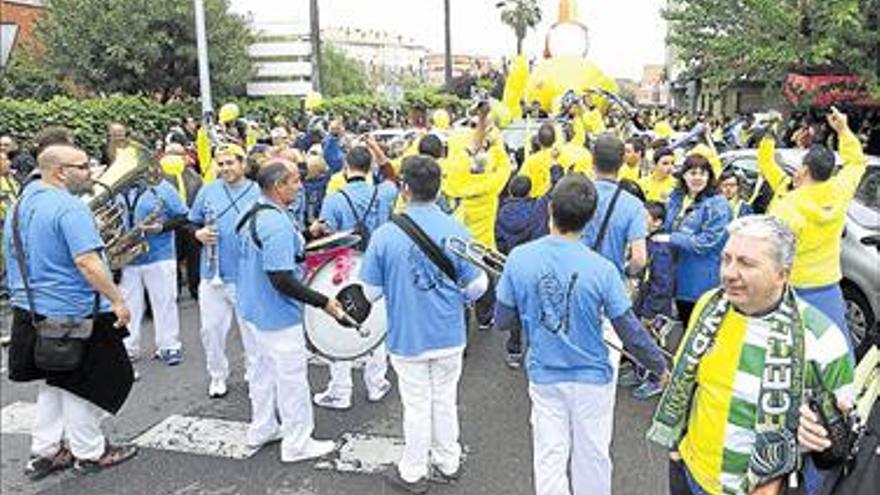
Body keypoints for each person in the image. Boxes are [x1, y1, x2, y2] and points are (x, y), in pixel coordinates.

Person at [648, 215, 855, 495]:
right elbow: (689, 383)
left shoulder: (822, 340)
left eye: (746, 263)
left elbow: (840, 440)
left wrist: (819, 437)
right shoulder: (710, 304)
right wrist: (676, 453)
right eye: (727, 259)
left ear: (783, 274)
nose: (729, 273)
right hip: (690, 474)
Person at [496, 174, 668, 495]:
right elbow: (629, 330)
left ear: (549, 209)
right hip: (592, 376)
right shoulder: (603, 269)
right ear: (589, 219)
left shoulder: (520, 258)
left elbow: (503, 320)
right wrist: (658, 366)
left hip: (545, 373)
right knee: (593, 455)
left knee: (549, 455)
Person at [5, 143, 138, 479]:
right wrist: (118, 299)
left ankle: (45, 451)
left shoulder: (20, 204)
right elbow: (86, 261)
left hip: (29, 309)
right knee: (88, 381)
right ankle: (89, 451)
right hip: (73, 310)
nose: (91, 172)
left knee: (55, 380)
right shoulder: (69, 207)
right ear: (60, 172)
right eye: (83, 166)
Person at [360, 155, 488, 492]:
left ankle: (414, 471)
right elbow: (477, 286)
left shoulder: (386, 235)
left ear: (404, 188)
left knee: (416, 404)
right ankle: (448, 461)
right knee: (445, 399)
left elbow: (369, 293)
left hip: (407, 335)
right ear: (439, 187)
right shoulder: (457, 230)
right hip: (449, 331)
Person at [235, 160, 348, 463]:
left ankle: (262, 428)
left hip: (251, 308)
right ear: (278, 186)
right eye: (295, 181)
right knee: (292, 379)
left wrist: (307, 237)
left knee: (260, 372)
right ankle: (297, 443)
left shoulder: (253, 210)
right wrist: (322, 302)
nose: (300, 186)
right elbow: (281, 278)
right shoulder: (275, 223)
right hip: (276, 315)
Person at [758, 107, 867, 349]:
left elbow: (768, 252)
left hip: (791, 292)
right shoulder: (838, 192)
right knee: (834, 351)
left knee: (788, 354)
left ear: (804, 170)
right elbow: (856, 162)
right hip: (828, 290)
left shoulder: (787, 207)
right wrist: (843, 129)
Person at [309, 145, 399, 410]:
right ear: (370, 169)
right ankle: (376, 382)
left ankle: (340, 389)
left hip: (342, 267)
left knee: (341, 324)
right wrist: (379, 153)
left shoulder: (335, 198)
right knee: (376, 321)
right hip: (376, 266)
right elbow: (391, 176)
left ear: (346, 168)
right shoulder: (383, 193)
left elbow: (323, 234)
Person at [187, 144, 260, 398]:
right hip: (212, 273)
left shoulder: (258, 190)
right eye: (221, 163)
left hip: (246, 274)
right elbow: (190, 221)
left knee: (251, 332)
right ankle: (217, 375)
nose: (225, 168)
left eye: (230, 163)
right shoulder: (207, 190)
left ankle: (255, 374)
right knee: (210, 331)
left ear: (243, 163)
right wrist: (198, 233)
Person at [118, 165, 189, 366]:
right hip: (127, 257)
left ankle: (169, 346)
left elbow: (183, 215)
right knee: (129, 304)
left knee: (164, 302)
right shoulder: (115, 190)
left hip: (159, 254)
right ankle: (129, 347)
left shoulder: (162, 187)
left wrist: (162, 227)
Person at [657, 154, 732, 326]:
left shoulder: (718, 205)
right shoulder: (676, 198)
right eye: (692, 172)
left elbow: (706, 242)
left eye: (702, 173)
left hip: (700, 280)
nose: (697, 178)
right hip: (672, 276)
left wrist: (672, 238)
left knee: (695, 326)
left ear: (709, 177)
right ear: (683, 175)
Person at [627, 200, 676, 400]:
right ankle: (640, 372)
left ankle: (657, 379)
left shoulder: (661, 247)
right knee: (639, 340)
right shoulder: (646, 241)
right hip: (642, 300)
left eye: (643, 219)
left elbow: (662, 284)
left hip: (654, 306)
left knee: (653, 342)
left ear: (657, 223)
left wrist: (650, 311)